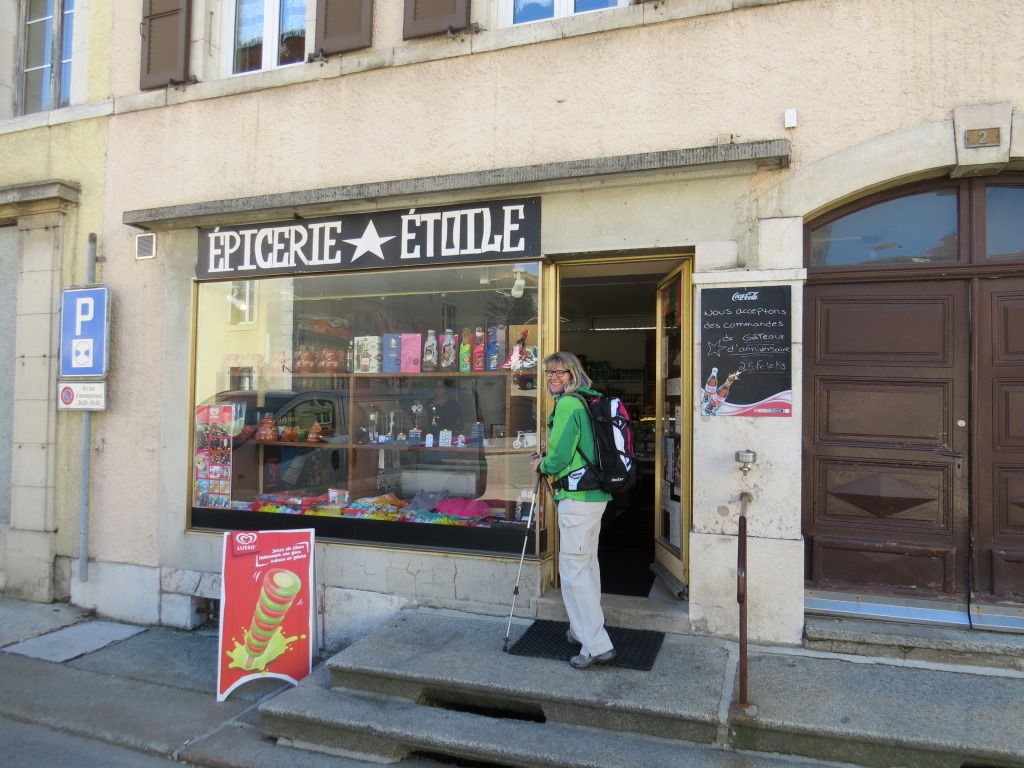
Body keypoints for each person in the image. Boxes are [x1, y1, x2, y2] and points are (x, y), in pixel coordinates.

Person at [531, 352, 615, 669]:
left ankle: (595, 646)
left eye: (560, 372)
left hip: (578, 500)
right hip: (594, 497)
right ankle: (581, 631)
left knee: (574, 572)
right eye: (549, 372)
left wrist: (543, 464)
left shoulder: (568, 404)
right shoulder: (587, 400)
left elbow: (560, 456)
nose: (553, 377)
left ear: (573, 374)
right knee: (587, 567)